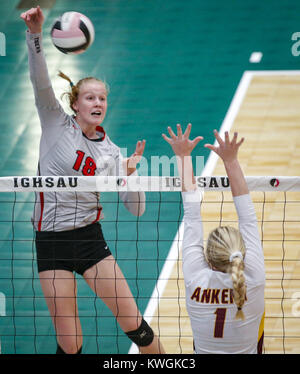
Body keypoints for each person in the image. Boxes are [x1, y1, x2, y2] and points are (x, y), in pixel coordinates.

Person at [20, 6, 165, 354]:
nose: (98, 102)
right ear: (76, 103)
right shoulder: (55, 122)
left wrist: (129, 176)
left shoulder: (112, 153)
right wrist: (35, 34)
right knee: (70, 344)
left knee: (135, 327)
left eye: (102, 98)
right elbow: (40, 80)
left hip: (89, 240)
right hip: (50, 242)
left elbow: (138, 210)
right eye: (90, 97)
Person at [162, 123, 265, 354]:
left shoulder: (195, 278)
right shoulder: (254, 278)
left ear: (208, 259)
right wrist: (231, 160)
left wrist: (183, 156)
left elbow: (191, 215)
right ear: (242, 253)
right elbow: (247, 219)